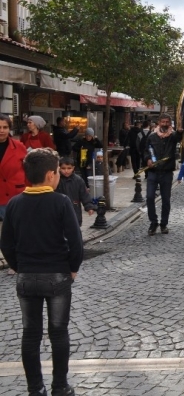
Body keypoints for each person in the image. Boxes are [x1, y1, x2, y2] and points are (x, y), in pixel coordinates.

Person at [0, 148, 83, 396]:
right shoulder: (61, 202)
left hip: (26, 277)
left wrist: (18, 266)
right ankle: (60, 386)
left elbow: (5, 243)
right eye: (58, 171)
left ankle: (35, 388)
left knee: (30, 334)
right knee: (58, 332)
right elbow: (76, 241)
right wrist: (72, 268)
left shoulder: (14, 203)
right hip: (57, 275)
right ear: (50, 175)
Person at [142, 114, 183, 235]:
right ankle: (153, 222)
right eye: (163, 122)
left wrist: (180, 131)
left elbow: (178, 137)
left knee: (166, 199)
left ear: (170, 123)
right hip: (153, 172)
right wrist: (148, 159)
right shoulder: (152, 136)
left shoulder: (172, 136)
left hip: (166, 173)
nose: (165, 124)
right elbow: (146, 150)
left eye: (167, 122)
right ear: (159, 122)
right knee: (150, 197)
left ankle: (164, 224)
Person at [0, 113, 27, 220]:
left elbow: (28, 170)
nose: (1, 130)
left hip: (15, 195)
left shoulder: (19, 146)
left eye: (5, 127)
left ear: (9, 129)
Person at [56, 157, 95, 226]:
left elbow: (84, 194)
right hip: (59, 210)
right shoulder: (56, 180)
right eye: (63, 168)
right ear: (59, 168)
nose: (66, 171)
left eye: (69, 168)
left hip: (75, 209)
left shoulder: (78, 180)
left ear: (73, 168)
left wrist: (89, 206)